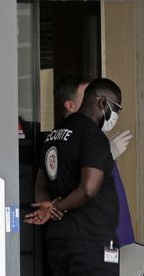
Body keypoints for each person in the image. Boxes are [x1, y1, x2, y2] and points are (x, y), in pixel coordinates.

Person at [25, 78, 123, 276]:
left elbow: (41, 182)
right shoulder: (93, 136)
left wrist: (47, 206)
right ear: (103, 103)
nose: (116, 116)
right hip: (90, 244)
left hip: (60, 241)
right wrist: (55, 208)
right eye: (116, 109)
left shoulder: (55, 134)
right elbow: (88, 190)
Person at [55, 75, 135, 246]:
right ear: (70, 105)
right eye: (86, 97)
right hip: (88, 239)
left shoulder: (93, 137)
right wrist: (107, 154)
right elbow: (84, 188)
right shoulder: (75, 138)